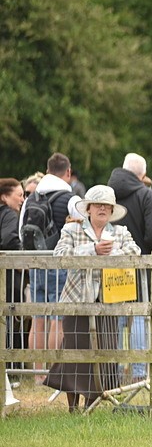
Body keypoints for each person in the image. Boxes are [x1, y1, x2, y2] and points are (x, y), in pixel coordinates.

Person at [44, 185, 141, 412]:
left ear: (112, 210)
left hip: (109, 302)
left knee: (105, 350)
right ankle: (72, 407)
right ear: (88, 209)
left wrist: (111, 254)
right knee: (74, 351)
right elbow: (59, 256)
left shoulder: (121, 232)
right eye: (98, 205)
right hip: (76, 300)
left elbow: (134, 252)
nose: (102, 209)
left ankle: (92, 403)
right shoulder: (71, 230)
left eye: (107, 205)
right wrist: (92, 250)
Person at [109, 153, 152, 382]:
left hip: (110, 264)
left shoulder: (107, 193)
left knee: (114, 319)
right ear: (143, 174)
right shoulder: (146, 194)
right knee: (139, 315)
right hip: (138, 264)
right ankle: (138, 373)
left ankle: (113, 371)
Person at [19, 153, 74, 370]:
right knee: (57, 320)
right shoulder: (70, 199)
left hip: (35, 264)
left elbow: (21, 231)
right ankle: (53, 372)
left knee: (38, 319)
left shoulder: (31, 198)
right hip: (59, 265)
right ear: (68, 172)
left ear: (47, 170)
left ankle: (38, 373)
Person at [1, 178, 28, 386]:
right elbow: (9, 239)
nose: (22, 199)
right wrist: (20, 259)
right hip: (9, 277)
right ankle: (12, 369)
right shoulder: (9, 215)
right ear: (4, 197)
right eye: (19, 195)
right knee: (11, 319)